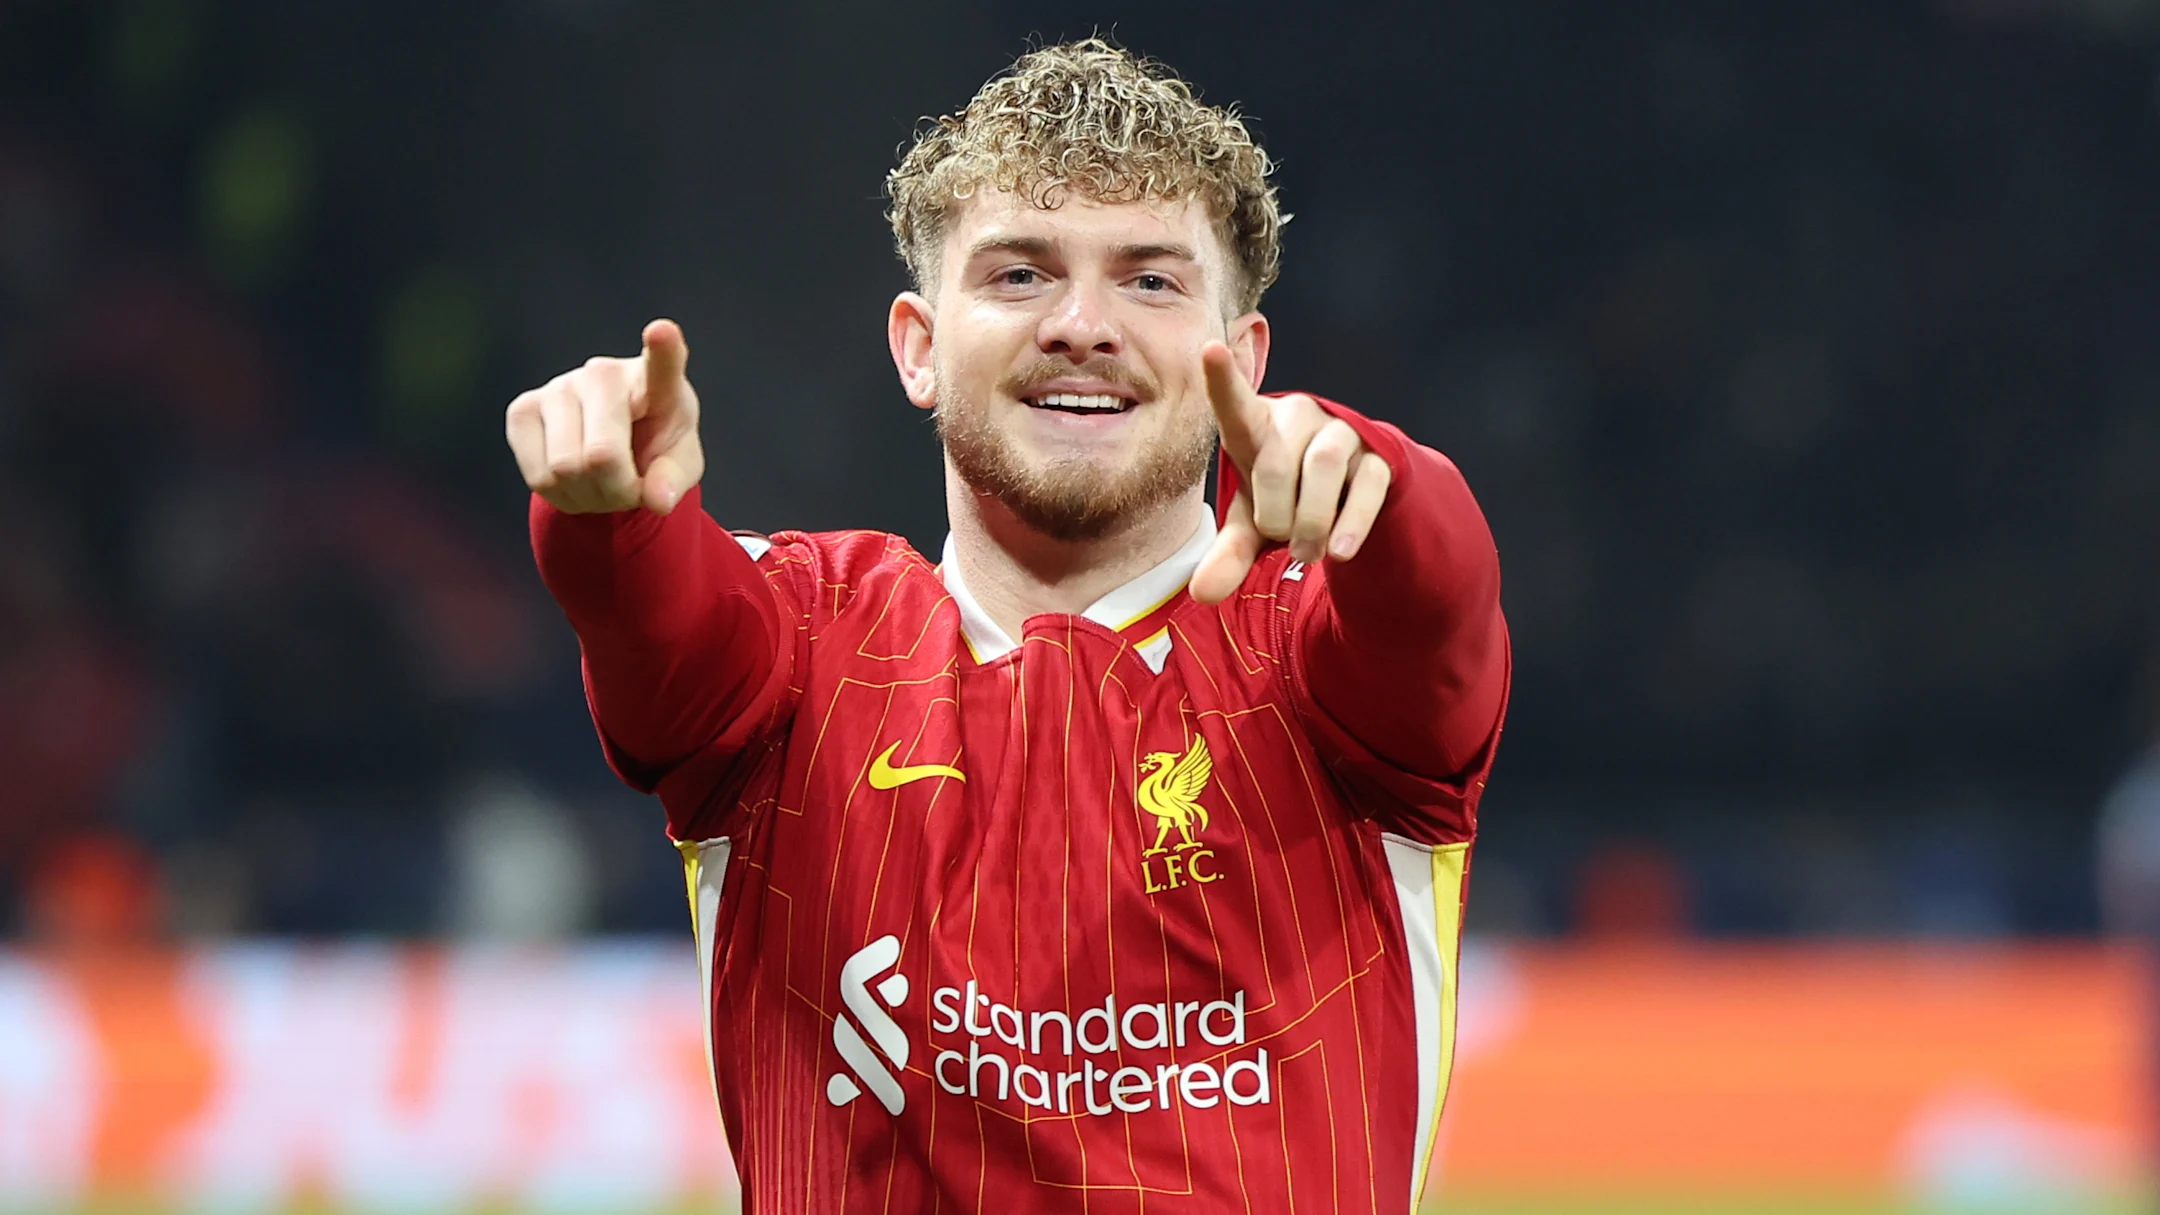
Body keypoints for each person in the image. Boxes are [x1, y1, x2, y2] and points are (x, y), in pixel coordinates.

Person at [508, 40, 1509, 1214]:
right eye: (1020, 275)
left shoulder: (1313, 644)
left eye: (1150, 281)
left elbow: (1435, 596)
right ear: (919, 346)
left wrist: (1370, 472)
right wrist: (605, 511)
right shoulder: (801, 639)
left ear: (1240, 360)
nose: (1081, 323)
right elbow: (655, 613)